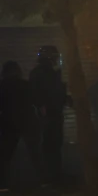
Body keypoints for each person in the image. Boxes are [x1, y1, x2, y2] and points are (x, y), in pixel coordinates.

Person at [30, 45, 71, 184]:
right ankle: (52, 178)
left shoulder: (45, 73)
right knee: (51, 146)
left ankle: (54, 177)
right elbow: (40, 95)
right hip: (50, 116)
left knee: (52, 145)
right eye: (54, 57)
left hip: (51, 115)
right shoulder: (46, 74)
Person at [0, 61, 42, 189]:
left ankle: (2, 183)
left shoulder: (2, 86)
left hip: (8, 122)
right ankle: (44, 180)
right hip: (27, 120)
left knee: (5, 154)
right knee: (35, 152)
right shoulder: (25, 85)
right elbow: (36, 100)